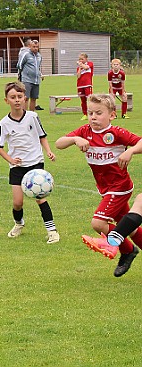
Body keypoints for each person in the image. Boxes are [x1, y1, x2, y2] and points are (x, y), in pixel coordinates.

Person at [55, 94, 142, 276]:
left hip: (119, 187)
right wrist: (74, 139)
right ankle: (130, 249)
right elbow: (59, 143)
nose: (93, 117)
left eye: (99, 113)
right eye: (90, 113)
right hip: (105, 189)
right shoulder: (85, 131)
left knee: (98, 223)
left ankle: (126, 250)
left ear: (111, 114)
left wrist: (131, 151)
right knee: (131, 227)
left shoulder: (117, 133)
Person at [0, 81, 60, 244]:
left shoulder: (32, 116)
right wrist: (10, 160)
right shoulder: (4, 123)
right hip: (17, 167)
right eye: (12, 97)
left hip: (35, 163)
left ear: (25, 98)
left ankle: (52, 231)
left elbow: (42, 136)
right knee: (17, 202)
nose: (16, 100)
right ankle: (19, 224)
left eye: (19, 96)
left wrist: (49, 151)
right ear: (6, 101)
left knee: (41, 198)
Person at [82, 194, 142, 277]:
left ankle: (112, 242)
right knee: (138, 204)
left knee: (98, 223)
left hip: (117, 186)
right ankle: (117, 243)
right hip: (107, 186)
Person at [17, 40, 43, 111]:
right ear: (30, 47)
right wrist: (22, 74)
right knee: (26, 98)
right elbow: (19, 65)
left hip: (36, 80)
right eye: (34, 47)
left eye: (37, 47)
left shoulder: (39, 56)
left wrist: (40, 74)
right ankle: (24, 115)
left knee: (34, 98)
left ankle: (32, 114)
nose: (35, 48)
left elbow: (37, 67)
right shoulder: (25, 54)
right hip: (26, 80)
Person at [76, 53, 94, 121]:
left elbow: (86, 67)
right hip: (80, 85)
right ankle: (85, 114)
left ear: (86, 59)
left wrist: (81, 65)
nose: (80, 60)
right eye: (79, 59)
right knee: (83, 100)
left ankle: (91, 113)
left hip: (87, 85)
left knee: (89, 99)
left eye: (82, 59)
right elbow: (78, 76)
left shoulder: (90, 64)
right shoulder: (79, 67)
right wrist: (80, 68)